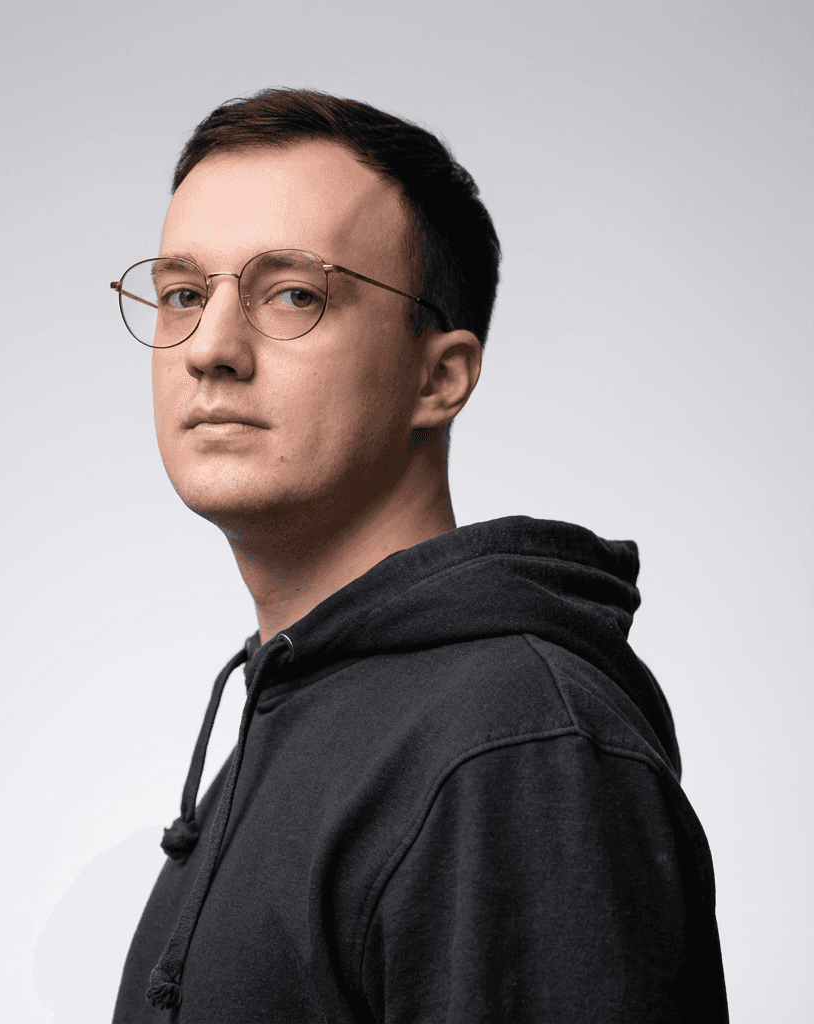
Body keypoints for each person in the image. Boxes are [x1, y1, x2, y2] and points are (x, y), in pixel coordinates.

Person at [110, 88, 728, 1023]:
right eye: (184, 294)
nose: (212, 350)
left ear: (440, 378)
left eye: (293, 295)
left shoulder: (511, 748)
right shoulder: (300, 718)